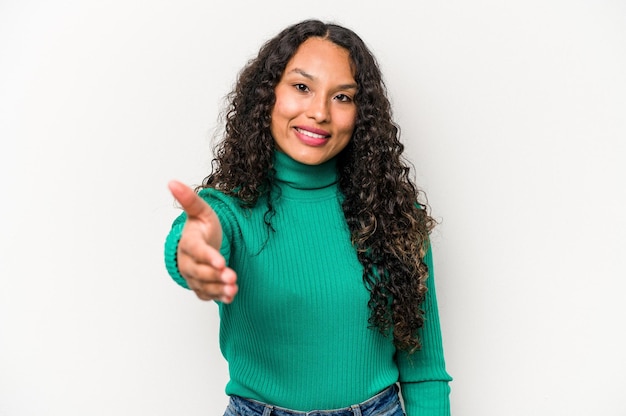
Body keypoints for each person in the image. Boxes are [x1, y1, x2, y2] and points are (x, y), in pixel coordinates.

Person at [164, 19, 452, 416]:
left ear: (361, 114)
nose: (319, 112)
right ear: (268, 95)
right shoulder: (228, 210)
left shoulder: (396, 218)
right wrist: (194, 252)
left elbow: (424, 371)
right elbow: (200, 234)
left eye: (343, 97)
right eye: (302, 87)